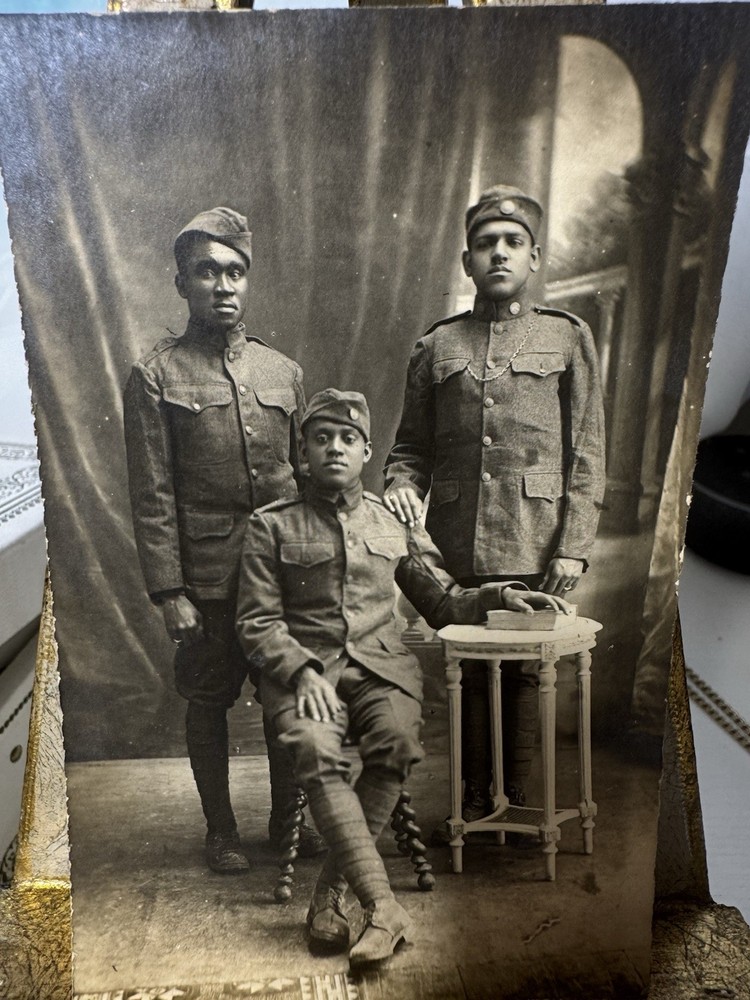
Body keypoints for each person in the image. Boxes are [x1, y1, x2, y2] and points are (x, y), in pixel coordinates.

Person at [236, 388, 572, 967]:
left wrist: (502, 594)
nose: (334, 449)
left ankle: (331, 894)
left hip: (381, 671)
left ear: (366, 453)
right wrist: (301, 671)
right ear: (303, 453)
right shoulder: (271, 526)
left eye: (347, 439)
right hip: (303, 676)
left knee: (395, 743)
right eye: (321, 439)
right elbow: (256, 621)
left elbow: (442, 600)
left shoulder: (391, 522)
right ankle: (384, 907)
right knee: (318, 753)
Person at [383, 184, 606, 834]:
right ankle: (475, 799)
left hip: (536, 539)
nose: (498, 254)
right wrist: (400, 484)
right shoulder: (438, 346)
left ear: (534, 256)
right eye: (486, 244)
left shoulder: (566, 339)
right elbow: (409, 448)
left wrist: (572, 545)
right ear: (467, 261)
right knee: (469, 676)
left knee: (527, 675)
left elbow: (587, 452)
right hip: (457, 541)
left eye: (512, 243)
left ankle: (519, 798)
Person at [123, 206, 324, 875]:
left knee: (285, 701)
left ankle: (284, 819)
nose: (224, 285)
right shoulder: (157, 378)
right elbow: (151, 494)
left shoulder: (283, 372)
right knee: (208, 702)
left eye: (236, 271)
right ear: (182, 283)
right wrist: (169, 590)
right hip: (206, 579)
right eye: (208, 271)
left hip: (282, 577)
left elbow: (308, 484)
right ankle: (220, 830)